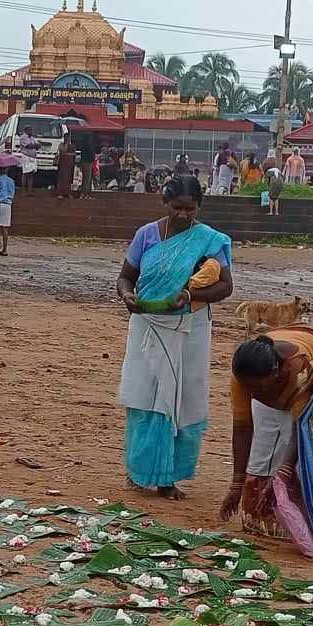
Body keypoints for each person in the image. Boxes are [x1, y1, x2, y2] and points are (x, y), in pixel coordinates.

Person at [116, 174, 235, 499]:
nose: (184, 215)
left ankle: (169, 478)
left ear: (199, 207)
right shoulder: (147, 235)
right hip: (148, 324)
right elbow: (127, 276)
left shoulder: (209, 240)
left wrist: (191, 297)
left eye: (190, 209)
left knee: (182, 397)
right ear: (165, 203)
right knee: (145, 395)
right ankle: (140, 471)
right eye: (177, 208)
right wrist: (127, 297)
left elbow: (225, 285)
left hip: (191, 328)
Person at [219, 330, 313, 562]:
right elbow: (243, 427)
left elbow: (302, 429)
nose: (253, 394)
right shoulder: (244, 377)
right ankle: (267, 516)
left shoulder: (300, 371)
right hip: (273, 369)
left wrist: (283, 472)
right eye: (249, 389)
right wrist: (236, 485)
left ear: (276, 374)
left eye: (257, 388)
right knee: (265, 438)